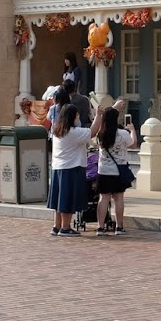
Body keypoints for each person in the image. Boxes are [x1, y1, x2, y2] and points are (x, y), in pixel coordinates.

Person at [47, 99, 91, 237]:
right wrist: (100, 115)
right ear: (72, 117)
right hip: (71, 167)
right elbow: (93, 132)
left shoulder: (57, 131)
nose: (78, 118)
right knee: (67, 198)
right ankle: (65, 227)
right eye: (77, 115)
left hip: (57, 167)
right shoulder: (73, 132)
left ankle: (57, 226)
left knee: (59, 198)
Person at [93, 105, 133, 237]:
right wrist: (132, 130)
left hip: (104, 170)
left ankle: (100, 227)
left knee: (103, 198)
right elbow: (133, 143)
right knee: (118, 198)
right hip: (118, 170)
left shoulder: (100, 134)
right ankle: (119, 227)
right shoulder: (123, 134)